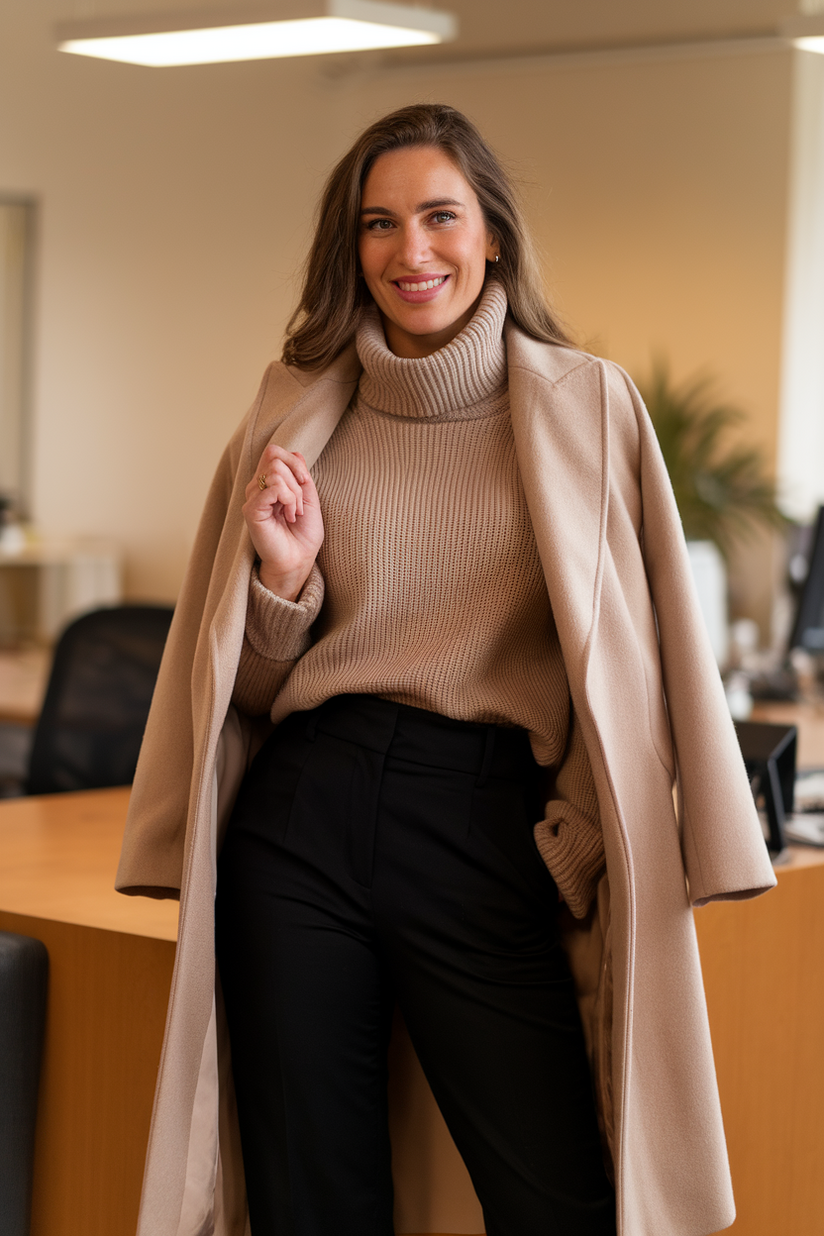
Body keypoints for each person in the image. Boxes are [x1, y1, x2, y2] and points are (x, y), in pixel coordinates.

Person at [117, 103, 776, 1236]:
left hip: (477, 823)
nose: (409, 252)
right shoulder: (293, 404)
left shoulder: (585, 406)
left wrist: (566, 834)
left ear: (493, 238)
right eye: (378, 225)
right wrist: (283, 583)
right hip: (300, 820)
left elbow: (634, 674)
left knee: (561, 1195)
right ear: (350, 247)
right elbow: (251, 694)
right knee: (310, 1201)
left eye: (438, 217)